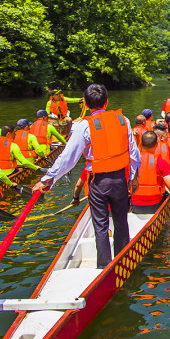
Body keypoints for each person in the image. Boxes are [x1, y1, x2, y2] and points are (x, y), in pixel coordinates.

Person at [32, 84, 141, 268]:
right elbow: (134, 153)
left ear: (88, 106)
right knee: (121, 222)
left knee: (100, 225)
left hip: (98, 181)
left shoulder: (83, 125)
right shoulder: (124, 120)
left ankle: (104, 266)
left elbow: (68, 157)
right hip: (120, 179)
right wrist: (134, 176)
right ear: (107, 102)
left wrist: (47, 179)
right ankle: (122, 262)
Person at [132, 131, 170, 216]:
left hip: (134, 205)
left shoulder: (132, 162)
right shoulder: (161, 163)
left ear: (141, 144)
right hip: (155, 205)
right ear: (156, 145)